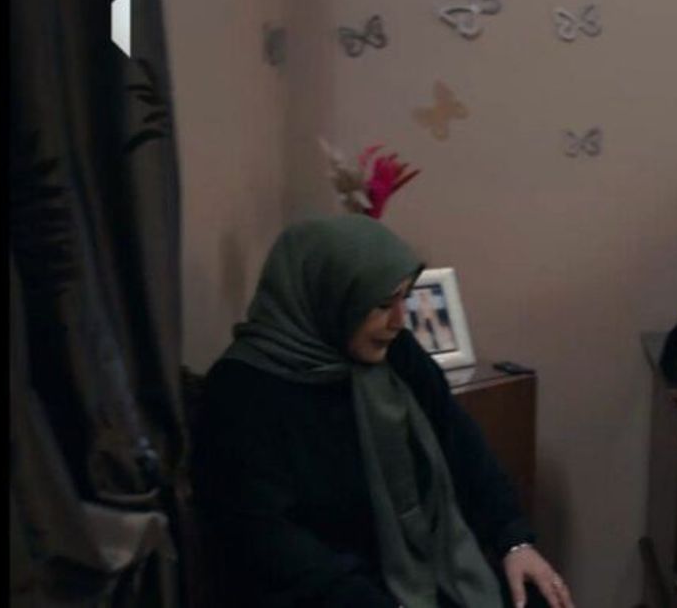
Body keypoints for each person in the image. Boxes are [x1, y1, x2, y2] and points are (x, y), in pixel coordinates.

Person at [191, 215, 574, 608]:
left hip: (425, 569)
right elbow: (266, 541)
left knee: (538, 596)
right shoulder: (241, 391)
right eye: (382, 304)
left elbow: (464, 449)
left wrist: (514, 541)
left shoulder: (397, 355)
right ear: (332, 297)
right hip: (323, 594)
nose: (398, 320)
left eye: (404, 299)